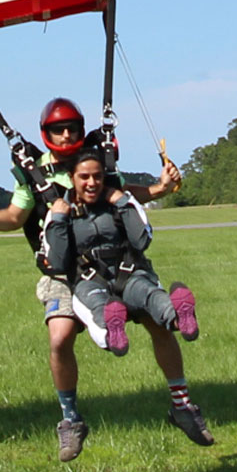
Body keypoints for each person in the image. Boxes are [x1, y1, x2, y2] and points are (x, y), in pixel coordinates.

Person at [0, 97, 211, 462]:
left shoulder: (98, 160)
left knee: (158, 321)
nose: (66, 134)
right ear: (46, 134)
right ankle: (71, 420)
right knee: (59, 338)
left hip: (115, 260)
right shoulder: (33, 172)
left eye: (72, 127)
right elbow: (14, 216)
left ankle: (182, 404)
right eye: (58, 129)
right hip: (63, 270)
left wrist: (159, 190)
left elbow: (120, 190)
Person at [42, 150, 199, 361]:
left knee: (149, 293)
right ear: (72, 178)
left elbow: (142, 240)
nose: (92, 183)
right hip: (88, 280)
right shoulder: (59, 211)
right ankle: (111, 335)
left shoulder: (121, 201)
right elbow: (57, 261)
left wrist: (122, 203)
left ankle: (180, 318)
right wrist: (59, 220)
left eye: (97, 176)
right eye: (84, 177)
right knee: (98, 306)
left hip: (129, 274)